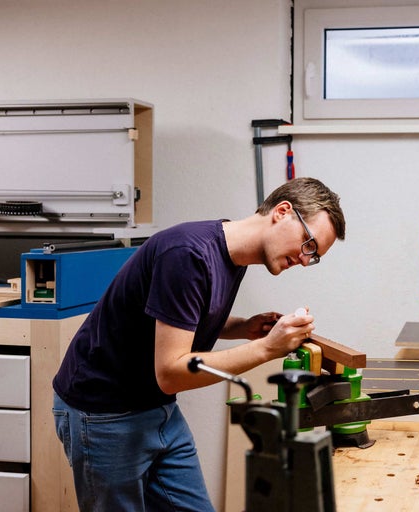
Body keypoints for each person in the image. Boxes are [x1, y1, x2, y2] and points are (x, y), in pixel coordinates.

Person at [51, 176, 346, 511]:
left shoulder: (233, 256)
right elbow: (171, 372)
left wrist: (244, 327)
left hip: (156, 408)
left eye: (315, 256)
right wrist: (267, 349)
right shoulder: (189, 254)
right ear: (282, 212)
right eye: (309, 244)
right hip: (103, 411)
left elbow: (181, 319)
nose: (306, 260)